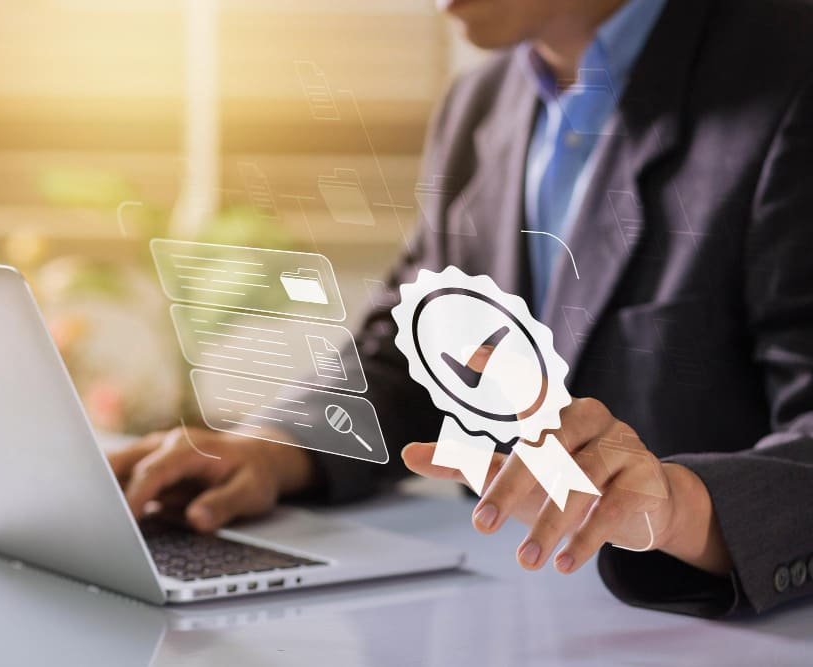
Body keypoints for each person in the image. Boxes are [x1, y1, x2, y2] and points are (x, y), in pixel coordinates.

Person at [108, 0, 813, 618]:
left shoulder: (787, 73)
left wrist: (680, 506)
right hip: (504, 611)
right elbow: (412, 361)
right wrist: (271, 448)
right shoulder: (481, 104)